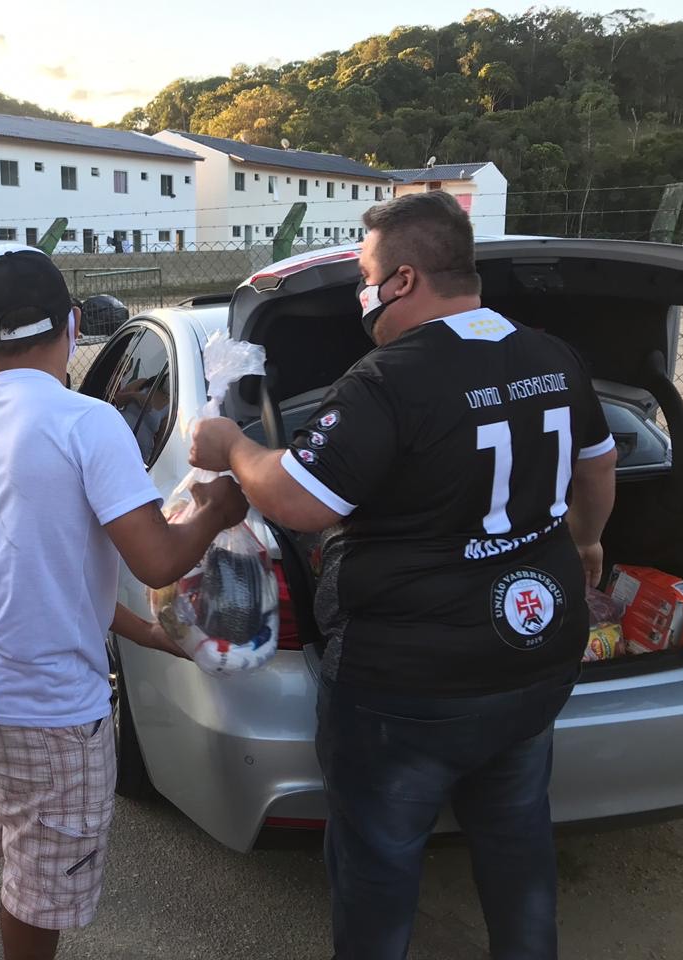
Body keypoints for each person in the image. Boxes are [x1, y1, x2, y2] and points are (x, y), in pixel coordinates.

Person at [187, 192, 618, 960]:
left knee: (379, 870)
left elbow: (299, 501)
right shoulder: (552, 356)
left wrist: (233, 447)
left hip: (406, 688)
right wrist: (585, 542)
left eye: (365, 276)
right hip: (535, 655)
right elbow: (599, 467)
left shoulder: (388, 378)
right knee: (518, 842)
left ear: (405, 279)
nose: (364, 293)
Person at [0, 246, 248, 960]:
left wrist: (146, 633)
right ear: (73, 324)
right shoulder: (88, 421)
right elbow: (158, 559)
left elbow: (45, 572)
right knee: (39, 886)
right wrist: (217, 508)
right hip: (49, 710)